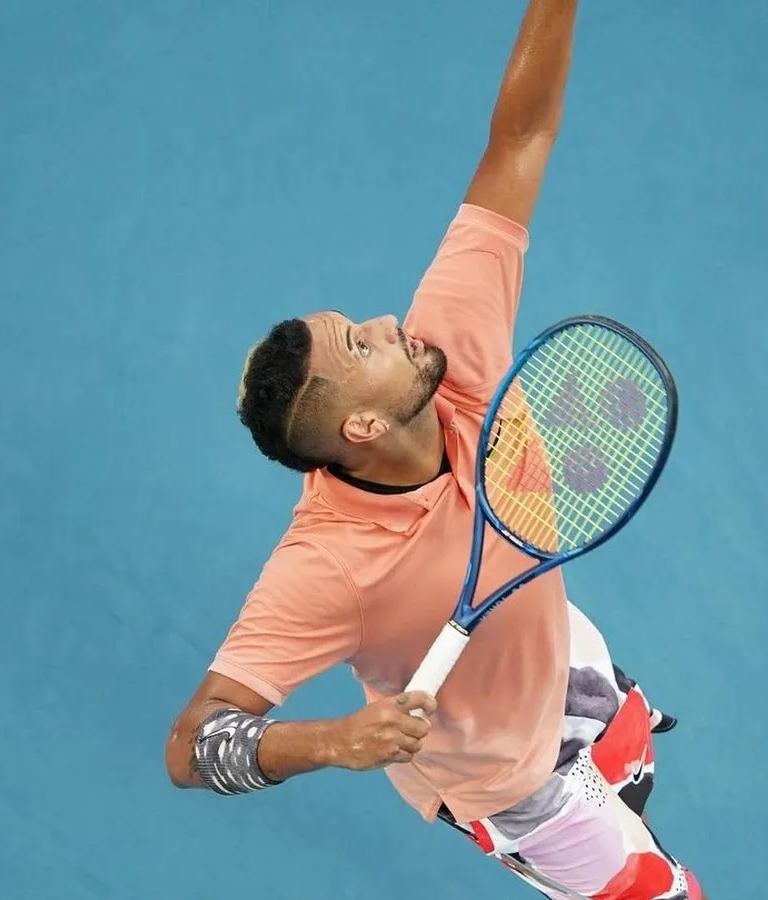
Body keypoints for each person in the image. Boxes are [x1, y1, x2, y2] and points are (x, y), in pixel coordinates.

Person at [165, 2, 704, 897]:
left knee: (639, 783)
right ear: (362, 429)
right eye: (362, 346)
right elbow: (191, 746)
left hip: (563, 662)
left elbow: (520, 138)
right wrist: (331, 740)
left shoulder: (452, 349)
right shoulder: (329, 568)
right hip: (512, 785)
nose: (388, 323)